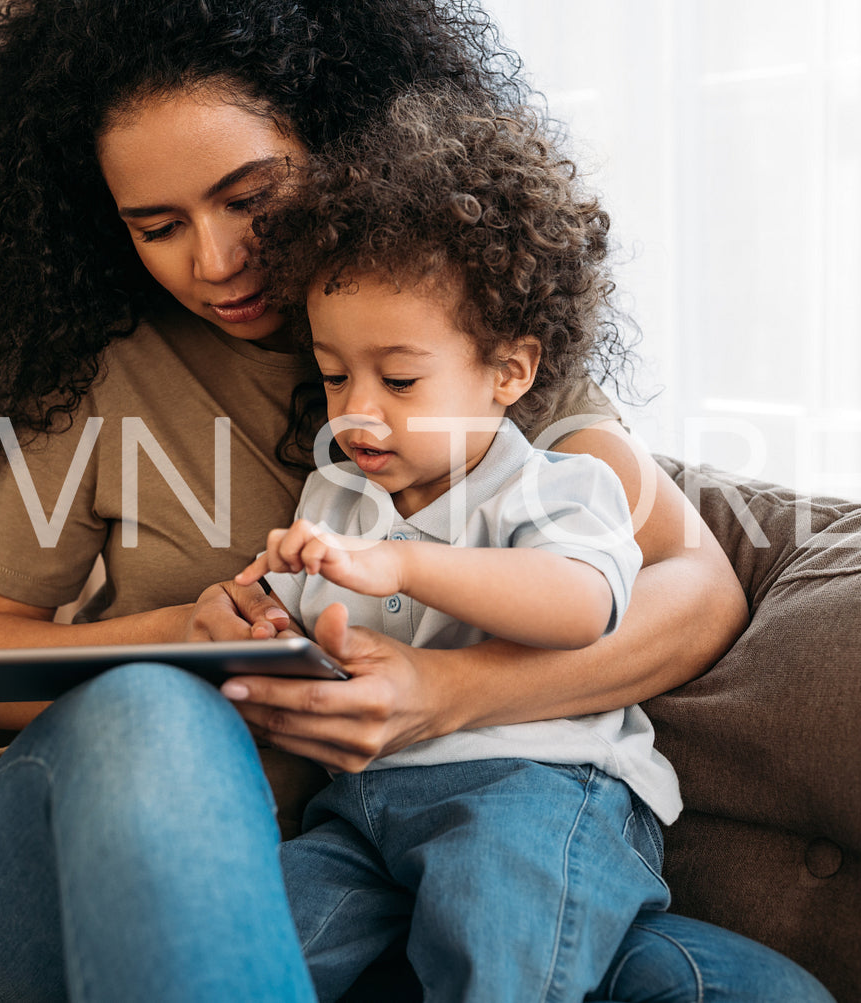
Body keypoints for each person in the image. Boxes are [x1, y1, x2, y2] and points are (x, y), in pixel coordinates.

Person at [0, 1, 832, 1000]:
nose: (212, 262)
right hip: (73, 867)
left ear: (335, 132)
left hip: (383, 864)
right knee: (156, 704)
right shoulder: (92, 367)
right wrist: (192, 639)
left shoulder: (463, 326)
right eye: (156, 227)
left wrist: (443, 698)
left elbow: (692, 586)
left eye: (248, 197)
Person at [229, 87, 677, 1001]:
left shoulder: (556, 483)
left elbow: (581, 600)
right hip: (360, 808)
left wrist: (402, 562)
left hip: (539, 790)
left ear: (507, 370)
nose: (355, 410)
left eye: (398, 377)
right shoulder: (337, 492)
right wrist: (271, 608)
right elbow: (321, 635)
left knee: (491, 937)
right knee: (245, 947)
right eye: (331, 375)